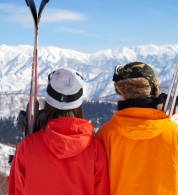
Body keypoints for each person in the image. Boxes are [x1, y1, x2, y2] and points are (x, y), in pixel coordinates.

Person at [95, 61, 178, 195]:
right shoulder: (176, 133)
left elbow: (98, 183)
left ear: (121, 92)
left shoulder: (105, 134)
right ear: (155, 91)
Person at [9, 67, 110, 195]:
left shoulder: (26, 147)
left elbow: (16, 190)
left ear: (48, 102)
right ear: (78, 105)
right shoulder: (96, 149)